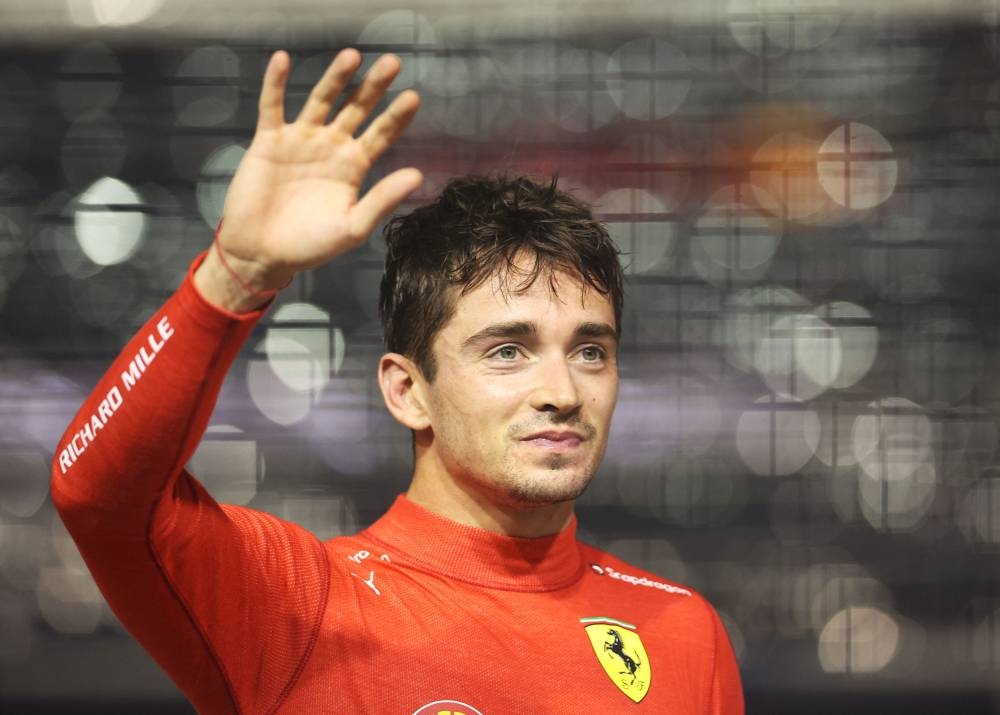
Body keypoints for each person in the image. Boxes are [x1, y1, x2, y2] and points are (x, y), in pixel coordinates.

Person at [51, 49, 744, 714]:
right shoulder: (298, 605)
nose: (563, 390)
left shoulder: (683, 632)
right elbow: (96, 493)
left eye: (590, 351)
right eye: (508, 351)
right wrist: (233, 276)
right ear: (407, 390)